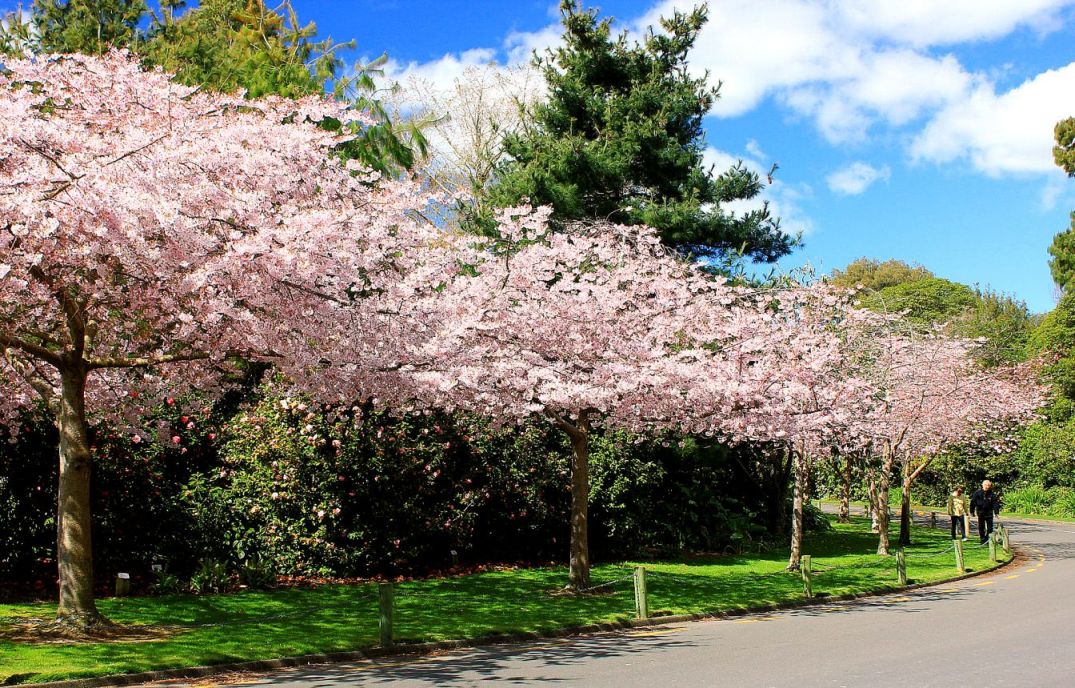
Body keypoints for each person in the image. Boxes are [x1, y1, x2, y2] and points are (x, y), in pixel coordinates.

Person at [970, 480, 1002, 544]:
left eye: (988, 485)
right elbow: (973, 502)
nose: (987, 487)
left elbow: (995, 504)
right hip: (980, 512)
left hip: (989, 513)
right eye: (985, 485)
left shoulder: (992, 494)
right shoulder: (977, 493)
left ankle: (987, 539)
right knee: (981, 527)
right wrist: (972, 511)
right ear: (982, 485)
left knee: (990, 528)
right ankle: (982, 539)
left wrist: (996, 513)